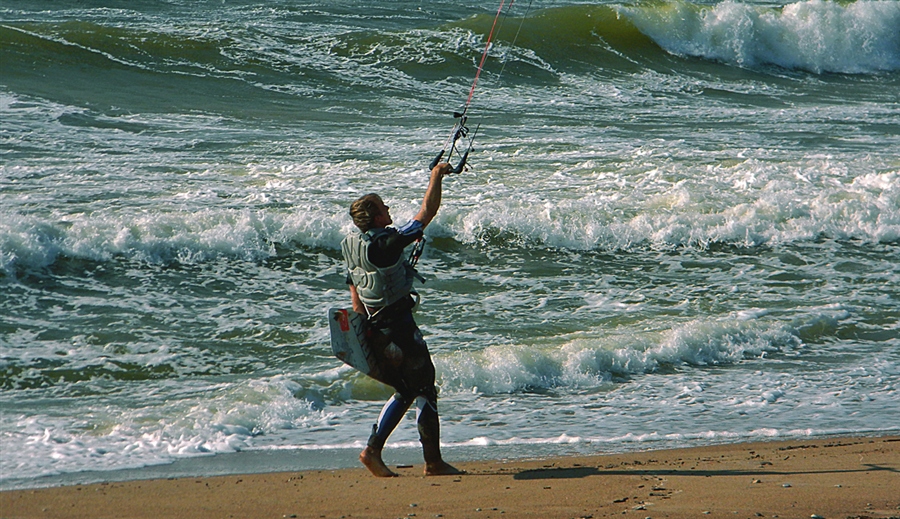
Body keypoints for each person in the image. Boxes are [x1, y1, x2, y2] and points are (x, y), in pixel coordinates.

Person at [341, 162, 463, 477]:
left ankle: (378, 451)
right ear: (375, 216)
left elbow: (353, 286)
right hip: (398, 327)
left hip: (377, 326)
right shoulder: (385, 243)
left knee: (409, 387)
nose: (388, 208)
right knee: (424, 383)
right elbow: (426, 213)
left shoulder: (354, 245)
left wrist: (362, 325)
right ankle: (427, 461)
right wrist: (436, 176)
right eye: (383, 206)